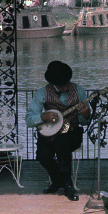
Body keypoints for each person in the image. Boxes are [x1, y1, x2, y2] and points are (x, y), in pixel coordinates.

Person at [25, 61, 91, 201]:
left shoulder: (79, 91)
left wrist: (85, 114)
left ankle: (68, 185)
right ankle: (58, 180)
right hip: (49, 134)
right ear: (54, 83)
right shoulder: (42, 93)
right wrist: (42, 116)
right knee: (42, 156)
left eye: (67, 83)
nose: (66, 87)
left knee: (62, 143)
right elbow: (29, 119)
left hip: (72, 133)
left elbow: (85, 121)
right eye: (62, 85)